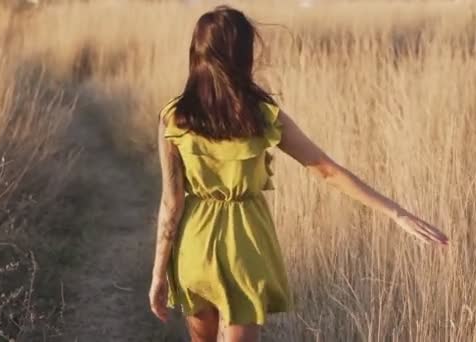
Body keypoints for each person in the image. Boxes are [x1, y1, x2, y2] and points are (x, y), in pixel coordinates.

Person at [149, 6, 449, 342]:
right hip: (245, 244)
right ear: (243, 55)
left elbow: (170, 205)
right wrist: (396, 212)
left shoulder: (174, 117)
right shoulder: (261, 115)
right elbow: (326, 170)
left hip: (194, 244)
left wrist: (159, 275)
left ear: (197, 52)